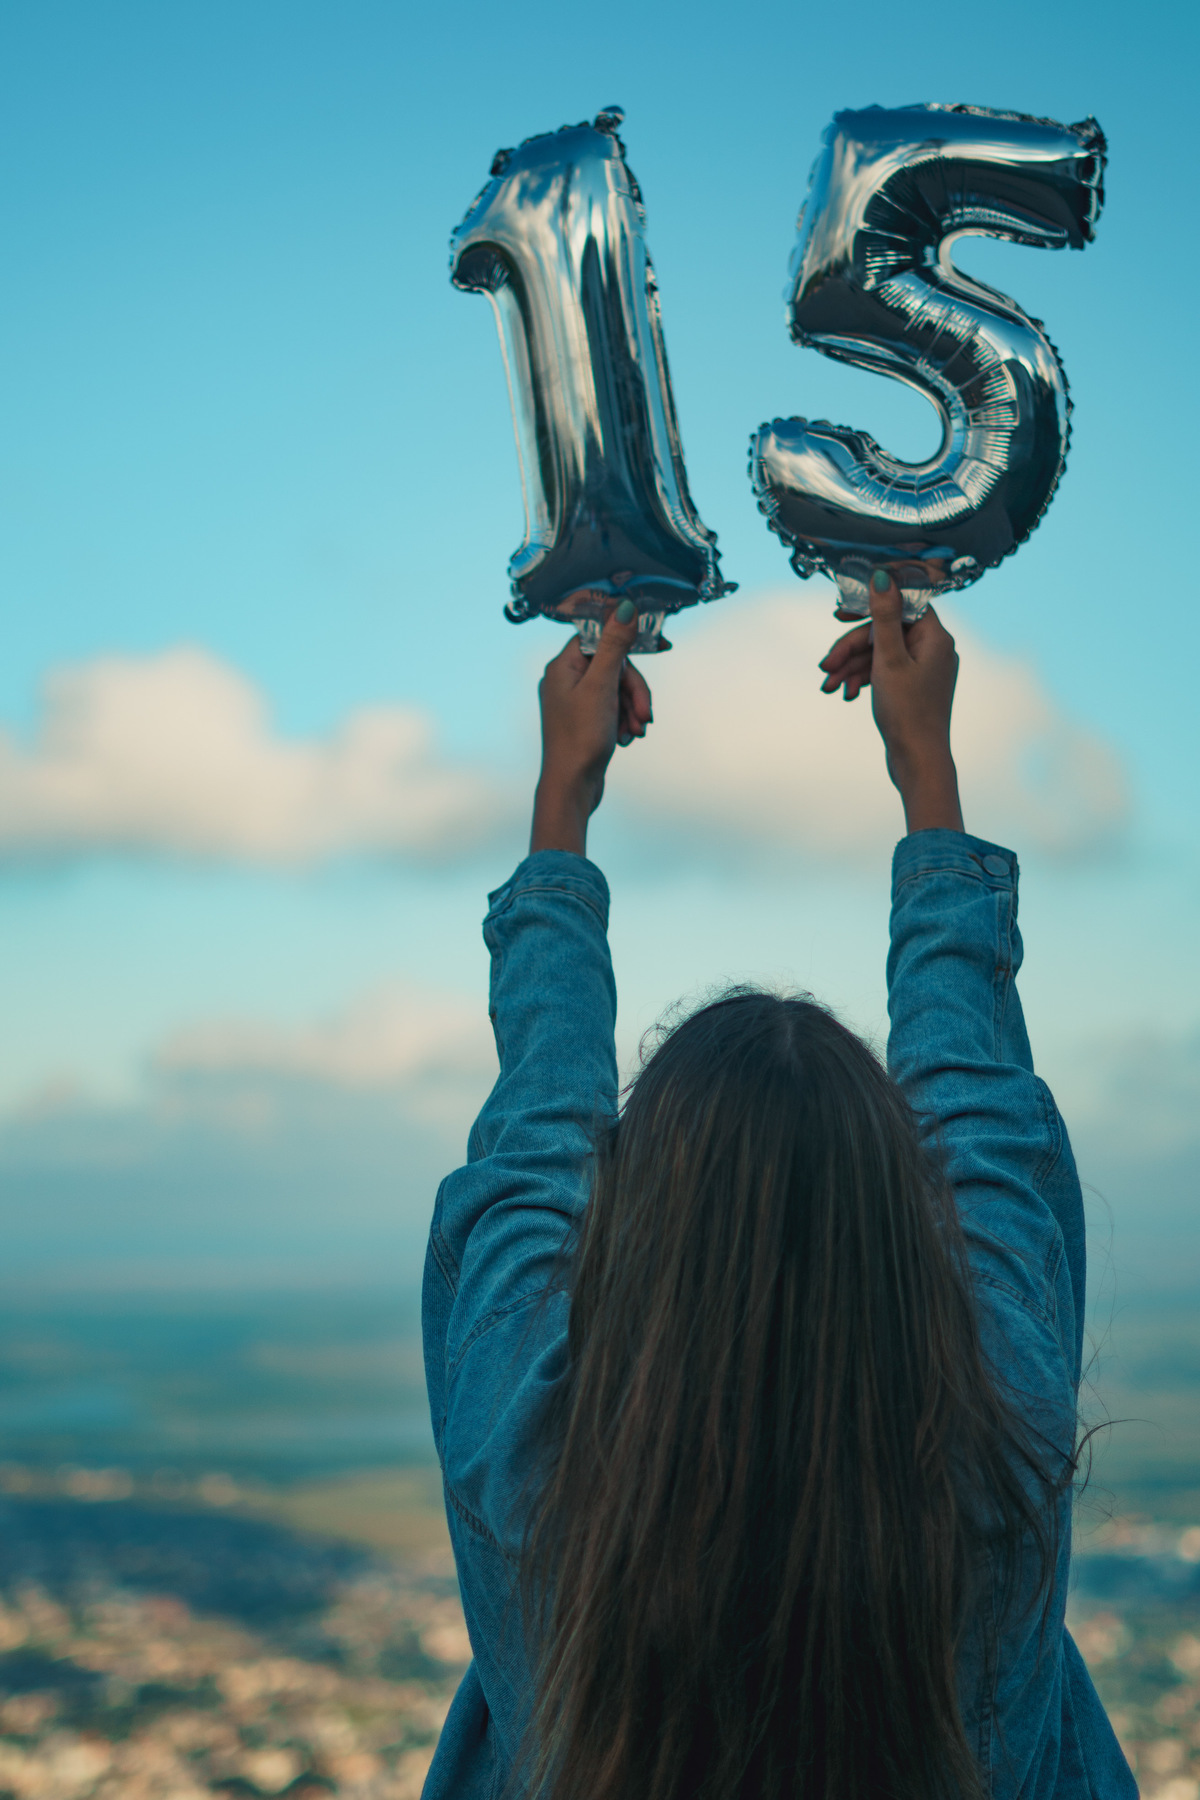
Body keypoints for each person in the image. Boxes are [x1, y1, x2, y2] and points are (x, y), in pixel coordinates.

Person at [420, 576, 1136, 1800]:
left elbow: (538, 1133)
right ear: (907, 1234)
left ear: (628, 1233)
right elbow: (979, 1105)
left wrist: (564, 803)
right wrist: (928, 776)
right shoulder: (998, 1445)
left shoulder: (531, 1461)